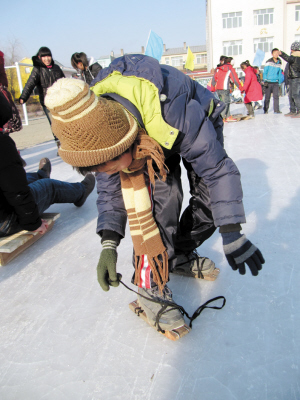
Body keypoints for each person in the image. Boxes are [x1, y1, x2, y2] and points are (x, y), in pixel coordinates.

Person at [45, 59, 264, 332]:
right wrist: (109, 244)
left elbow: (218, 171)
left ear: (124, 142)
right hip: (144, 133)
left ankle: (181, 250)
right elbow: (110, 192)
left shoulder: (174, 112)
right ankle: (151, 285)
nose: (108, 172)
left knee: (209, 201)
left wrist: (231, 231)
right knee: (163, 199)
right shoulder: (97, 137)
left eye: (110, 166)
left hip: (189, 122)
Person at [0, 133, 95, 237]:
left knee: (19, 178)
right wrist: (32, 223)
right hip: (7, 221)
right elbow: (17, 192)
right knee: (48, 187)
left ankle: (40, 175)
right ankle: (80, 192)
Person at [19, 47, 65, 151]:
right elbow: (30, 83)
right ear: (40, 57)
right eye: (44, 56)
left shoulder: (56, 68)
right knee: (54, 125)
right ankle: (60, 146)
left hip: (60, 101)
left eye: (48, 56)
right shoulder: (38, 69)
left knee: (65, 122)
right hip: (47, 103)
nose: (47, 58)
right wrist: (23, 97)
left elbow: (64, 82)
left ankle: (69, 144)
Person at [212, 56, 243, 122]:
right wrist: (241, 88)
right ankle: (222, 118)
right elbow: (235, 79)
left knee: (225, 102)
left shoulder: (218, 68)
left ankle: (228, 116)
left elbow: (214, 79)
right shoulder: (230, 69)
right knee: (225, 103)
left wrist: (212, 88)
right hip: (225, 88)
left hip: (218, 89)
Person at [279, 42, 300, 118]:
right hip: (292, 78)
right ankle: (293, 110)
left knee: (295, 95)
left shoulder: (295, 57)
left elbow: (287, 58)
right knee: (291, 95)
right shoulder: (295, 56)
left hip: (295, 78)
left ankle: (298, 110)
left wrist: (281, 53)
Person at [262, 48, 283, 114]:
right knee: (267, 97)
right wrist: (265, 80)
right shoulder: (268, 62)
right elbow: (265, 72)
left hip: (276, 82)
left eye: (277, 53)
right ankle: (265, 109)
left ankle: (276, 110)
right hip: (268, 82)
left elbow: (279, 73)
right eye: (275, 53)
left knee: (276, 96)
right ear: (272, 54)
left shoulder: (279, 62)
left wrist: (279, 82)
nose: (276, 54)